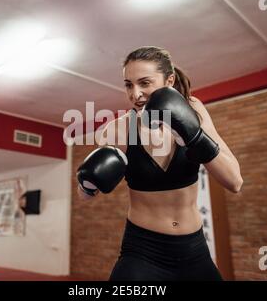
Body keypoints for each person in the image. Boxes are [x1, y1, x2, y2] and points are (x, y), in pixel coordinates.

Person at [76, 46, 243, 281]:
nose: (135, 94)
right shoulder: (118, 130)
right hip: (142, 251)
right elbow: (84, 195)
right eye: (128, 84)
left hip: (194, 249)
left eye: (145, 82)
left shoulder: (193, 110)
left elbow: (234, 181)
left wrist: (194, 137)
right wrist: (88, 184)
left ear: (169, 80)